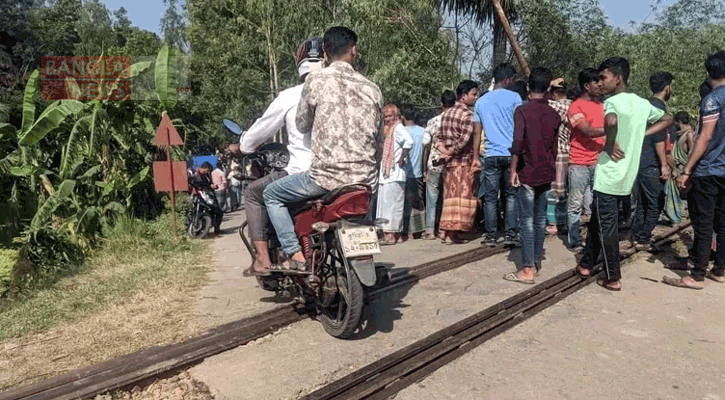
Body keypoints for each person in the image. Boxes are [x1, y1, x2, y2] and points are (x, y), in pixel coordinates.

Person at [263, 26, 383, 271]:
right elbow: (377, 140)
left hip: (324, 179)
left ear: (325, 52)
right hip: (365, 182)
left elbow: (302, 124)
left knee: (271, 195)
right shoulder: (372, 88)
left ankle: (294, 254)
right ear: (354, 51)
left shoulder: (316, 80)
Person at [575, 57, 674, 292]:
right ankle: (587, 264)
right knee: (597, 221)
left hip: (610, 173)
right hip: (627, 175)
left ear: (618, 79)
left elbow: (610, 121)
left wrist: (609, 143)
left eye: (603, 78)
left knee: (607, 226)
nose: (600, 83)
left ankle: (613, 276)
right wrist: (642, 133)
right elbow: (668, 119)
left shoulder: (613, 102)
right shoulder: (641, 103)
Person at [237, 38, 321, 276]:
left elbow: (255, 136)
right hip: (346, 172)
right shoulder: (343, 92)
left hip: (304, 173)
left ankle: (263, 259)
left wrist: (242, 145)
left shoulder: (291, 96)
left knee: (253, 193)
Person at [665, 50, 725, 289]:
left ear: (709, 72)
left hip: (708, 170)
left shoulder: (712, 99)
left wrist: (687, 169)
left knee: (703, 224)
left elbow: (706, 137)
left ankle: (696, 274)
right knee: (722, 224)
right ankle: (719, 270)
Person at [503, 67, 561, 285]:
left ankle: (526, 269)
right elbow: (554, 149)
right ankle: (536, 261)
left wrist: (513, 170)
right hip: (546, 172)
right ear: (548, 89)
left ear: (528, 87)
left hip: (527, 171)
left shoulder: (522, 111)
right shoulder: (554, 114)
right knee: (539, 220)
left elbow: (517, 142)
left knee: (526, 220)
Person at [474, 63, 523, 247]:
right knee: (511, 195)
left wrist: (474, 157)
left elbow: (477, 132)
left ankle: (491, 236)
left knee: (490, 197)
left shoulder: (481, 101)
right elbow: (519, 127)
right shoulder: (515, 98)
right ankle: (511, 234)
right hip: (511, 155)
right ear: (508, 79)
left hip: (490, 155)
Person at [632, 71, 674, 251]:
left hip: (638, 162)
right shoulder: (659, 108)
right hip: (651, 163)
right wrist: (664, 165)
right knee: (656, 203)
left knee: (642, 203)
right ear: (667, 88)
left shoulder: (644, 105)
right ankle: (643, 239)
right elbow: (658, 138)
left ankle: (637, 236)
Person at [566, 68, 606, 251]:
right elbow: (587, 131)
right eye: (595, 81)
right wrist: (613, 128)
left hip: (598, 161)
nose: (599, 85)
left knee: (594, 204)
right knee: (575, 203)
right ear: (586, 85)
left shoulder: (601, 105)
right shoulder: (575, 107)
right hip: (579, 162)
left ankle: (593, 239)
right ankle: (574, 239)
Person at [437, 80, 481, 244]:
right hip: (463, 162)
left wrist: (444, 151)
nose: (475, 98)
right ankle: (452, 234)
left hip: (449, 165)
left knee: (449, 198)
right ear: (464, 96)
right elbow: (464, 140)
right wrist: (451, 151)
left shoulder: (446, 114)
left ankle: (446, 231)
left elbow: (438, 137)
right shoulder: (467, 115)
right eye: (473, 94)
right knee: (462, 198)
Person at [422, 90, 456, 240]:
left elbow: (426, 145)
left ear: (441, 104)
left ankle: (430, 230)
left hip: (434, 163)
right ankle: (445, 229)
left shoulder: (432, 121)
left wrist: (424, 168)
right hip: (451, 163)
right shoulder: (456, 121)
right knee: (447, 198)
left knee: (432, 198)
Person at [377, 104, 413, 244]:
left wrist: (402, 158)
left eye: (390, 116)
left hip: (395, 174)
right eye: (385, 117)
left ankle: (390, 236)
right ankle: (391, 235)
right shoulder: (390, 130)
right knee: (387, 205)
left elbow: (409, 142)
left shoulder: (398, 128)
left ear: (396, 116)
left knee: (391, 206)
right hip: (388, 174)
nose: (387, 119)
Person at [546, 77, 572, 236]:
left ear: (554, 93)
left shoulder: (554, 106)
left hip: (559, 153)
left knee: (555, 192)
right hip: (572, 152)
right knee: (564, 191)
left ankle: (555, 223)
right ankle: (562, 221)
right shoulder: (573, 105)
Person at [401, 104, 426, 239]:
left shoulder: (400, 131)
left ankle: (408, 231)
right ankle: (419, 230)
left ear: (403, 117)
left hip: (404, 173)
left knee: (406, 203)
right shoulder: (422, 131)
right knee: (418, 202)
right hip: (418, 172)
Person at [193, 161, 223, 235]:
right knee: (199, 213)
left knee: (218, 212)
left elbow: (208, 184)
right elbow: (200, 185)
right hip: (201, 197)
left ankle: (216, 227)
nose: (208, 171)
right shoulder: (196, 175)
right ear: (204, 168)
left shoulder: (206, 176)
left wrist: (212, 186)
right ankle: (199, 230)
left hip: (209, 197)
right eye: (208, 170)